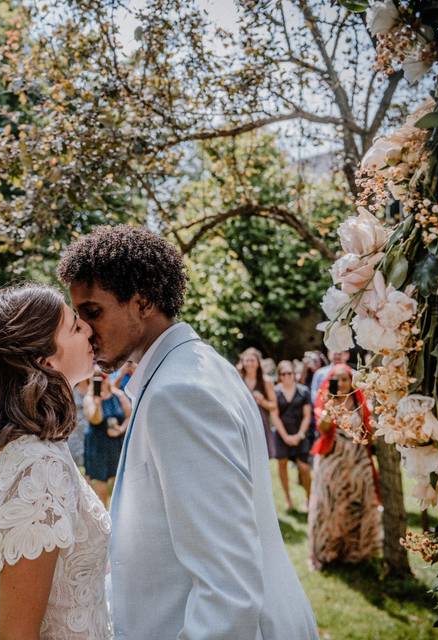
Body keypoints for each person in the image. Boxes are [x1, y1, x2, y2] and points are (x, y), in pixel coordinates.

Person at [60, 224, 317, 639]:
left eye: (93, 312)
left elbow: (226, 591)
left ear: (141, 302)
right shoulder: (196, 367)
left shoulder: (178, 394)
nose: (85, 330)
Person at [0, 282, 111, 639]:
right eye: (75, 327)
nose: (88, 328)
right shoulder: (38, 466)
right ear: (44, 360)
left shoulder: (12, 448)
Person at [308, 364, 382, 570]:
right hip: (332, 459)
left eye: (344, 379)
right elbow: (322, 429)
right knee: (330, 504)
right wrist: (329, 408)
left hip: (357, 459)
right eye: (336, 379)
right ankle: (327, 551)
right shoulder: (326, 399)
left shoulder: (359, 401)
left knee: (357, 503)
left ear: (351, 382)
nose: (340, 384)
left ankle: (357, 552)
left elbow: (369, 432)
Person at [82, 367, 131, 507]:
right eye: (96, 378)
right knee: (100, 491)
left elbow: (129, 416)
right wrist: (97, 404)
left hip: (116, 445)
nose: (101, 381)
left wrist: (121, 429)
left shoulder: (119, 395)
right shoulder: (89, 399)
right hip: (97, 447)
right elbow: (95, 420)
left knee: (119, 488)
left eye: (103, 377)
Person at [272, 360, 313, 511]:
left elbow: (307, 416)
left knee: (304, 467)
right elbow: (274, 416)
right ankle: (288, 500)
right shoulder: (275, 392)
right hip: (282, 434)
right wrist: (286, 437)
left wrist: (300, 435)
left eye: (289, 373)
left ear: (294, 374)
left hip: (300, 433)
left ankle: (309, 498)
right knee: (282, 466)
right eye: (283, 374)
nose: (287, 376)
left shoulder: (303, 391)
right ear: (279, 376)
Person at [237, 346, 278, 458]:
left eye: (252, 360)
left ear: (258, 363)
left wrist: (262, 400)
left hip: (260, 423)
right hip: (242, 421)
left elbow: (273, 405)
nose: (249, 363)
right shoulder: (237, 379)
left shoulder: (266, 381)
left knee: (260, 457)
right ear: (242, 361)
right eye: (247, 360)